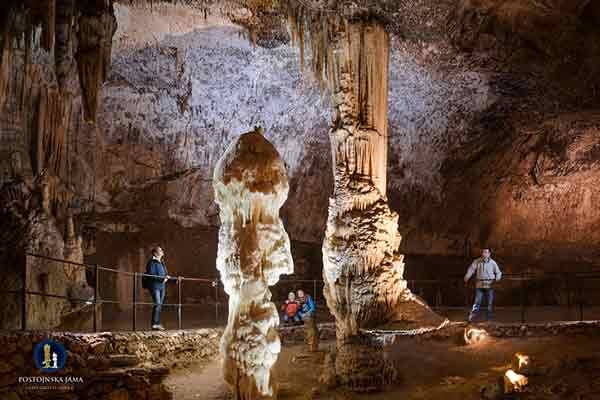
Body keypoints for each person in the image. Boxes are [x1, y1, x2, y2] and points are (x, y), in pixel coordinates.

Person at [464, 248, 502, 322]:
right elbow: (471, 269)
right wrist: (467, 277)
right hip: (480, 285)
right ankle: (472, 318)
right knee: (477, 302)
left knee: (489, 304)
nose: (484, 254)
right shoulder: (477, 261)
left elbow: (498, 272)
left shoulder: (492, 263)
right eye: (483, 252)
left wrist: (497, 279)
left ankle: (489, 320)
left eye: (486, 252)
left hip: (489, 285)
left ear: (489, 254)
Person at [142, 246, 171, 330]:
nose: (162, 251)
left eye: (162, 250)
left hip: (162, 286)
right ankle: (154, 324)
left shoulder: (162, 262)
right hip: (155, 286)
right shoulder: (151, 262)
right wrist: (163, 279)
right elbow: (151, 275)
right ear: (155, 253)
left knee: (159, 305)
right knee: (157, 303)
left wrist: (173, 279)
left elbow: (165, 273)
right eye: (160, 250)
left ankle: (157, 323)